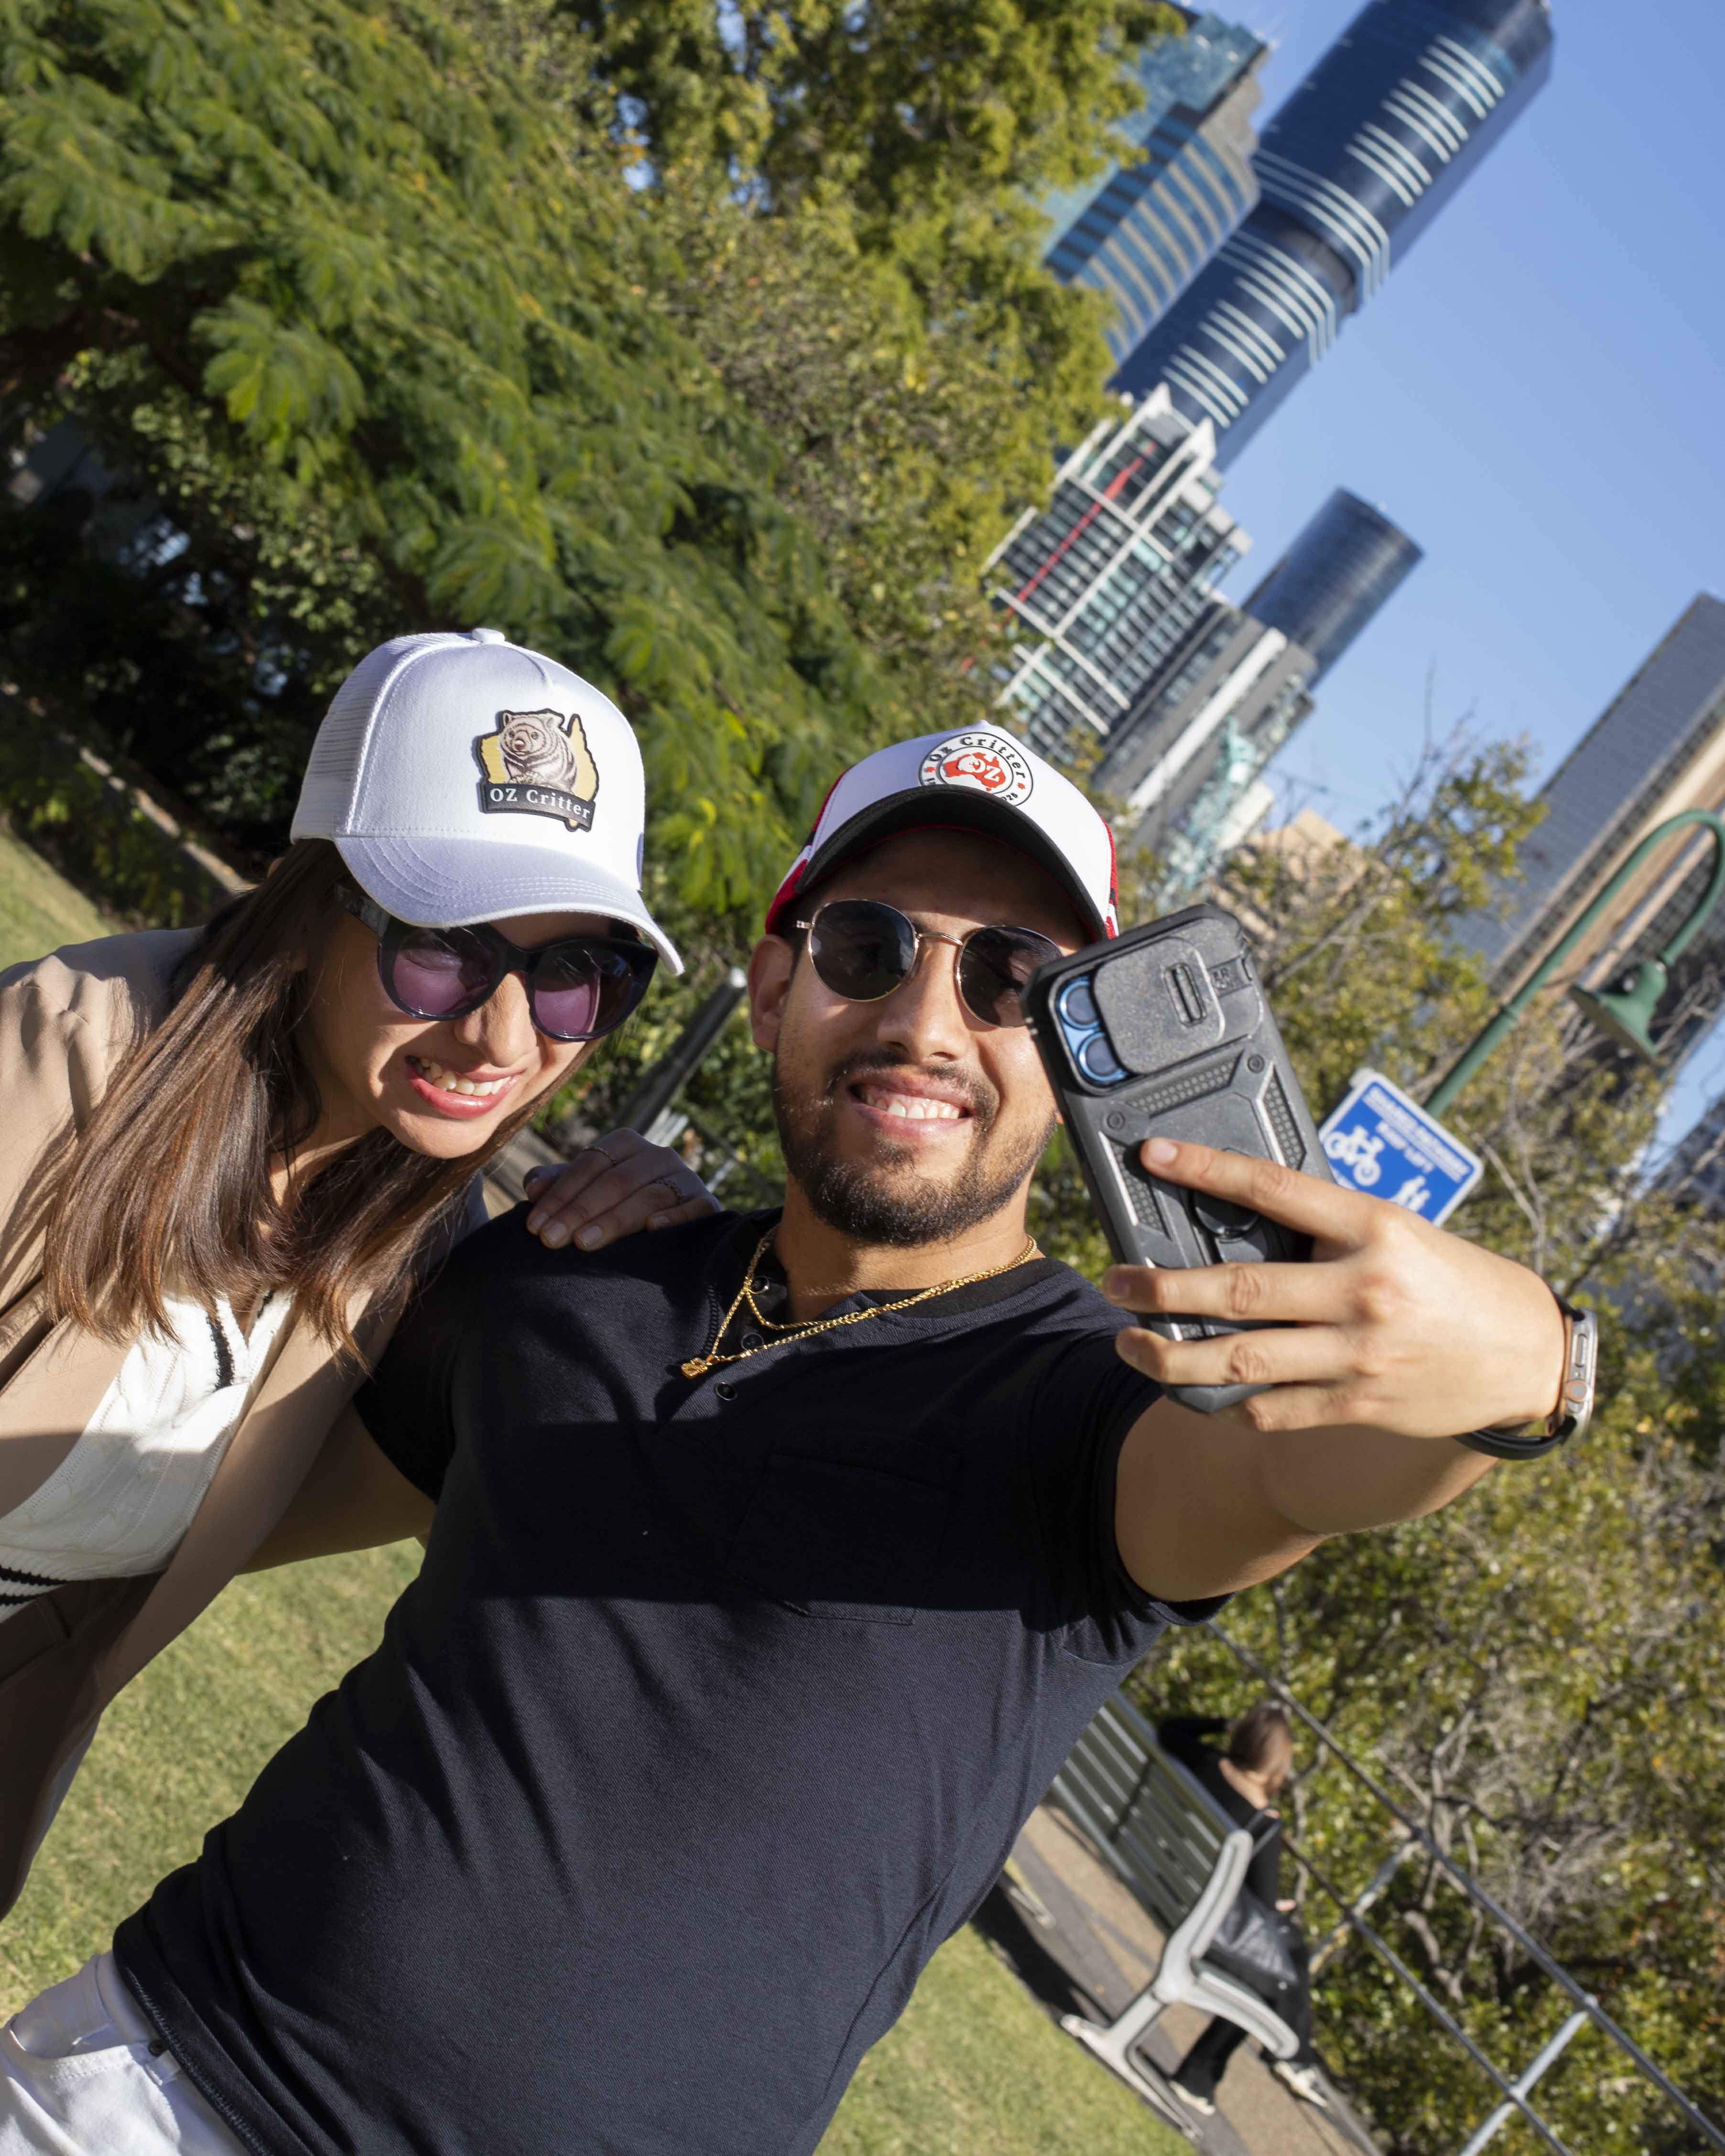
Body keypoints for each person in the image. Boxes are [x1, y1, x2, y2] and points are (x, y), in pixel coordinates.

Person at [0, 725, 1582, 2156]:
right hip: (134, 2081)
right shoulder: (568, 1276)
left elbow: (1310, 1468)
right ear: (771, 984)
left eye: (1010, 980)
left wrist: (1516, 1364)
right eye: (865, 945)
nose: (922, 1019)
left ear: (1078, 1047)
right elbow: (201, 1496)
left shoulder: (1106, 1406)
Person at [0, 628, 713, 1920]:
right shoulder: (60, 1061)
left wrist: (660, 1264)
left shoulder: (418, 1248)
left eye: (574, 976)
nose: (502, 1032)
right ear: (316, 898)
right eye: (444, 946)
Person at [1159, 1702, 1326, 2116]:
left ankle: (1293, 2056)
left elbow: (1171, 1726)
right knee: (1284, 1964)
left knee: (1291, 1953)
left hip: (1166, 1883)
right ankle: (1286, 2055)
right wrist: (1281, 1906)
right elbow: (1264, 1905)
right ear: (1277, 1762)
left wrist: (1222, 1722)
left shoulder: (1204, 1760)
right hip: (1202, 1922)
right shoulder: (1264, 1819)